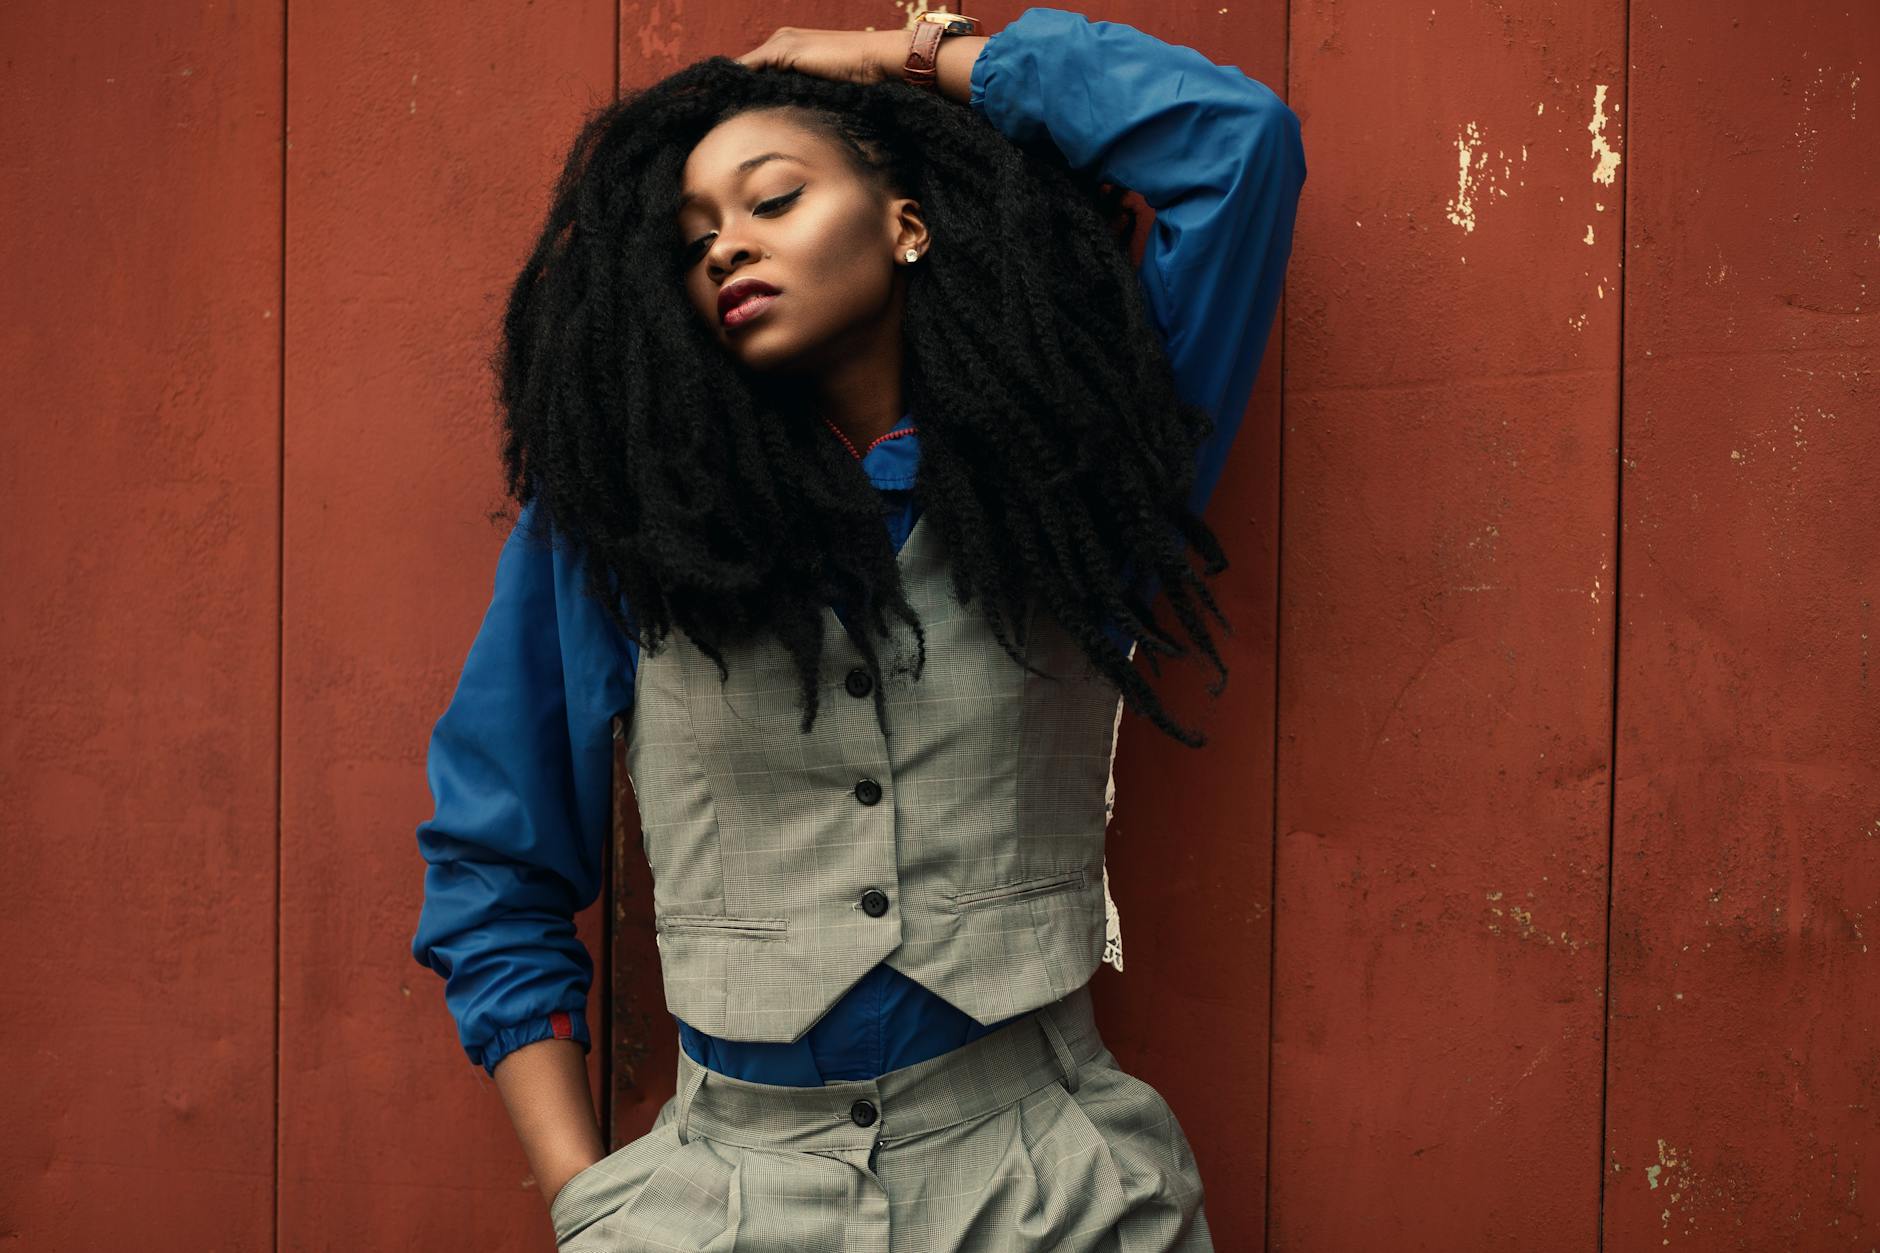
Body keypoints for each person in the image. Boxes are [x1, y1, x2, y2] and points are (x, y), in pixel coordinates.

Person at [411, 7, 1305, 1249]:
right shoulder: (620, 534)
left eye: (771, 199)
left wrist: (902, 54)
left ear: (905, 220)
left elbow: (1235, 145)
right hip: (722, 1195)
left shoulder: (1076, 468)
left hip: (1056, 1183)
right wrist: (587, 1199)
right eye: (694, 239)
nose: (726, 248)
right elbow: (493, 868)